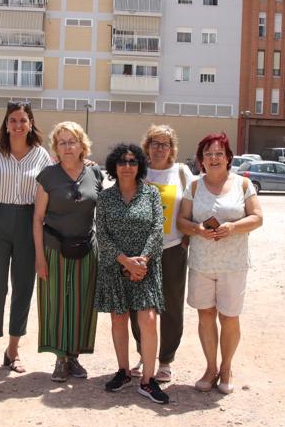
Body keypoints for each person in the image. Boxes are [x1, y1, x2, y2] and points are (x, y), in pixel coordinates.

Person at [177, 132, 263, 394]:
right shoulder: (193, 186)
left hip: (233, 265)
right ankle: (210, 367)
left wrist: (233, 227)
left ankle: (226, 368)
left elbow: (258, 218)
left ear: (228, 158)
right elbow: (182, 221)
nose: (213, 158)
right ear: (201, 160)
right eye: (208, 154)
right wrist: (198, 229)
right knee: (205, 315)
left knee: (229, 317)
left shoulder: (243, 186)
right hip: (202, 264)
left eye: (218, 154)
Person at [0, 101, 52, 374]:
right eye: (13, 120)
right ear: (6, 124)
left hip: (28, 223)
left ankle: (13, 349)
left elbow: (58, 180)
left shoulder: (41, 155)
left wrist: (84, 161)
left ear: (31, 124)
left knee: (23, 287)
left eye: (23, 120)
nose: (18, 125)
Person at [95, 143, 169, 404]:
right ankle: (124, 371)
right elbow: (101, 234)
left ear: (140, 166)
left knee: (148, 319)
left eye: (133, 162)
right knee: (118, 318)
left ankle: (148, 381)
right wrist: (126, 261)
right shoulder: (104, 198)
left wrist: (142, 261)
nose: (127, 166)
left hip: (145, 269)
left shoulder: (151, 195)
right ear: (114, 166)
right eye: (122, 162)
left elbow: (158, 229)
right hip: (115, 267)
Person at [32, 121, 102, 382]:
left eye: (72, 141)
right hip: (54, 248)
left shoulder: (94, 174)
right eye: (62, 142)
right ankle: (60, 358)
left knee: (82, 303)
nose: (68, 146)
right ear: (56, 148)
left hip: (86, 248)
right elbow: (37, 218)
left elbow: (101, 213)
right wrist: (39, 256)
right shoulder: (48, 176)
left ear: (82, 145)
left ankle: (74, 356)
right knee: (56, 302)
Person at [128, 125, 194, 384]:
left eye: (164, 143)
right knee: (138, 306)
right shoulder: (137, 170)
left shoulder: (181, 172)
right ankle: (145, 355)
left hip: (172, 250)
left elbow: (192, 207)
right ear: (147, 145)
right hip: (141, 252)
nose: (159, 148)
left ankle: (165, 360)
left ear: (172, 148)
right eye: (154, 143)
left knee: (171, 306)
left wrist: (187, 237)